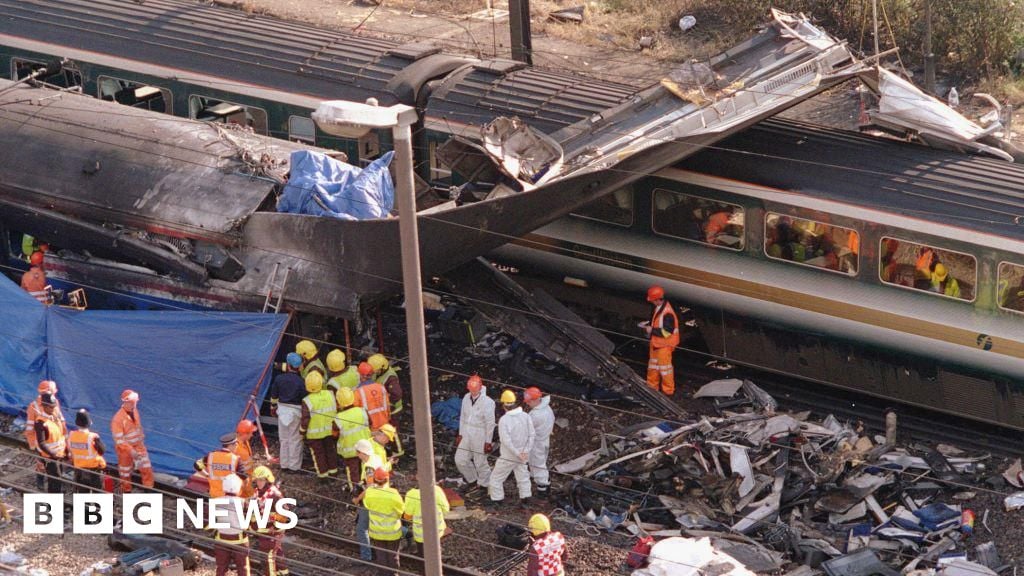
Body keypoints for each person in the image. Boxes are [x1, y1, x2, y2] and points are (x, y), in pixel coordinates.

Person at [488, 390, 535, 509]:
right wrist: (525, 451)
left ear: (503, 405)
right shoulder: (526, 416)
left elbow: (506, 441)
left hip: (509, 455)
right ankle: (526, 501)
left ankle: (497, 501)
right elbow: (532, 435)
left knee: (496, 478)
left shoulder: (504, 420)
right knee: (523, 477)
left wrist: (517, 453)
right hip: (523, 454)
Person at [454, 375, 495, 498]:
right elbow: (463, 417)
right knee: (460, 459)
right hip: (467, 431)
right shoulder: (466, 398)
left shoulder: (488, 402)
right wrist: (461, 434)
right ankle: (472, 480)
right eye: (470, 389)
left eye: (474, 389)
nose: (472, 391)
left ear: (480, 387)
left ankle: (484, 485)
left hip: (480, 433)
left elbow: (490, 423)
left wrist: (488, 441)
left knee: (480, 461)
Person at [362, 468, 405, 576]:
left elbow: (367, 505)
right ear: (387, 479)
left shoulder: (370, 492)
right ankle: (394, 574)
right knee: (393, 555)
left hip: (376, 531)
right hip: (392, 532)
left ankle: (383, 573)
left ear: (374, 480)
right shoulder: (393, 494)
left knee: (380, 554)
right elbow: (401, 511)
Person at [111, 389, 154, 492]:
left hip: (138, 446)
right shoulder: (118, 419)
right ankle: (127, 491)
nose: (134, 404)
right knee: (125, 472)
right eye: (132, 402)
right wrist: (131, 450)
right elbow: (119, 440)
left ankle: (148, 490)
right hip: (125, 450)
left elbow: (138, 427)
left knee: (146, 468)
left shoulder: (134, 411)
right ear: (125, 402)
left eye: (135, 402)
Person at [353, 438, 389, 562]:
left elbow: (370, 487)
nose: (357, 455)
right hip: (383, 495)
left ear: (363, 453)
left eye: (358, 452)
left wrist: (358, 499)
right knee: (381, 521)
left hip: (372, 500)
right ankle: (407, 533)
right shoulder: (376, 458)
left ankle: (366, 557)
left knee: (361, 528)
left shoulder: (369, 467)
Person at [25, 380, 65, 490]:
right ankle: (41, 480)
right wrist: (34, 446)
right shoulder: (33, 407)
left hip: (55, 441)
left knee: (56, 468)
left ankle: (56, 483)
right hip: (42, 443)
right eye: (53, 392)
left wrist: (63, 437)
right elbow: (30, 428)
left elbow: (60, 420)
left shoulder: (54, 402)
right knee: (41, 464)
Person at [270, 353, 305, 472]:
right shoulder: (301, 381)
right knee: (295, 439)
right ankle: (294, 467)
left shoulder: (279, 379)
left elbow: (274, 396)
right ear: (299, 366)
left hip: (282, 410)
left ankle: (284, 465)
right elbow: (303, 399)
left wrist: (273, 408)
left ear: (288, 365)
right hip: (296, 411)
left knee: (284, 439)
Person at [252, 466, 290, 576]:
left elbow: (285, 515)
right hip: (263, 531)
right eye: (257, 480)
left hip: (272, 531)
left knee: (267, 558)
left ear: (267, 480)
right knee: (277, 553)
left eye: (261, 480)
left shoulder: (274, 495)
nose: (258, 482)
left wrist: (269, 519)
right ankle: (283, 573)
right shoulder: (259, 492)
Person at [299, 372, 338, 479]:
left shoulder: (307, 401)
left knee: (318, 455)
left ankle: (323, 476)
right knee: (330, 451)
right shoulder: (330, 394)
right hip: (330, 431)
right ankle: (333, 472)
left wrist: (302, 432)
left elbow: (305, 419)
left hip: (314, 435)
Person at [212, 474, 251, 576]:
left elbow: (206, 520)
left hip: (221, 539)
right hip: (240, 540)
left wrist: (213, 529)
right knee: (243, 568)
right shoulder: (244, 502)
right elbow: (251, 519)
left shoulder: (215, 502)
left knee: (221, 567)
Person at [644, 285, 679, 396]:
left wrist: (651, 330)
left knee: (665, 370)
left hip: (664, 345)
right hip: (656, 344)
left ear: (657, 299)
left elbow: (667, 332)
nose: (652, 302)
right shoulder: (659, 308)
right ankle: (652, 388)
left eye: (652, 300)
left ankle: (668, 392)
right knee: (653, 367)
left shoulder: (667, 312)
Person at [334, 387, 371, 489]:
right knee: (367, 468)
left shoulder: (338, 418)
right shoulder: (362, 411)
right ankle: (369, 486)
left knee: (352, 470)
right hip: (365, 448)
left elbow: (334, 432)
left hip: (349, 451)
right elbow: (370, 423)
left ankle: (355, 489)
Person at [403, 483, 451, 557]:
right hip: (437, 530)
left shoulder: (411, 494)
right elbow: (446, 509)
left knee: (423, 554)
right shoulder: (437, 490)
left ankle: (422, 564)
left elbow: (407, 516)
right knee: (435, 552)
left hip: (421, 533)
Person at [524, 387, 554, 497]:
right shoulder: (547, 408)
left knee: (538, 465)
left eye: (529, 401)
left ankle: (543, 491)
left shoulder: (537, 415)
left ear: (535, 399)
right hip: (544, 439)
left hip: (537, 443)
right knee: (540, 463)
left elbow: (527, 430)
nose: (527, 404)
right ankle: (546, 483)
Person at [34, 393, 67, 494]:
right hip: (50, 457)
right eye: (51, 407)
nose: (53, 408)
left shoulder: (55, 416)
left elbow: (61, 434)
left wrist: (66, 451)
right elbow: (41, 443)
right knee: (54, 481)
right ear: (44, 406)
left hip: (59, 455)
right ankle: (53, 502)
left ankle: (57, 498)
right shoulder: (40, 423)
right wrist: (53, 454)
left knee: (58, 477)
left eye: (54, 406)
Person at [68, 408, 106, 492]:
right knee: (97, 493)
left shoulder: (71, 435)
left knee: (82, 492)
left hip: (79, 470)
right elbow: (102, 450)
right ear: (88, 423)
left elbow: (70, 451)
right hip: (93, 470)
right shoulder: (93, 437)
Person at [195, 433, 244, 498]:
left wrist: (206, 475)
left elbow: (197, 465)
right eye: (236, 444)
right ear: (231, 445)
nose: (237, 446)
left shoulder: (211, 456)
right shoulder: (236, 459)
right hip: (231, 497)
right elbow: (244, 477)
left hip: (214, 495)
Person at [353, 362, 390, 431]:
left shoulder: (358, 392)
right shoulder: (381, 387)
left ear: (362, 375)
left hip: (370, 428)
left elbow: (356, 412)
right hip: (384, 426)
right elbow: (388, 407)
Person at [368, 353, 403, 417]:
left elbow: (397, 395)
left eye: (376, 370)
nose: (374, 372)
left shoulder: (391, 379)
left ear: (382, 368)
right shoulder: (379, 373)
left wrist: (383, 401)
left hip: (393, 410)